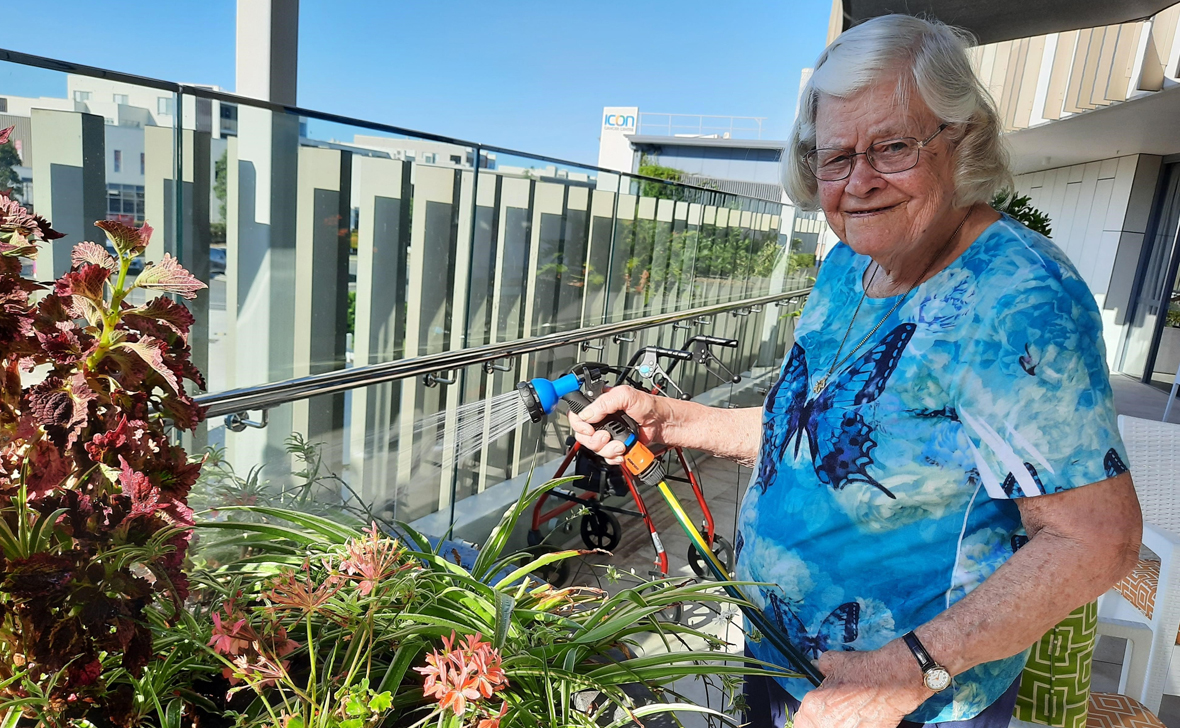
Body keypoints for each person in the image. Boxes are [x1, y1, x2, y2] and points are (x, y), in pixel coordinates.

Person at [569, 14, 1142, 728]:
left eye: (892, 146)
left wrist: (907, 672)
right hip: (781, 655)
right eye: (834, 157)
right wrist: (674, 420)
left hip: (906, 703)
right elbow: (815, 429)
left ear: (962, 139)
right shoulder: (849, 263)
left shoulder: (1018, 297)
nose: (859, 182)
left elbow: (1096, 539)